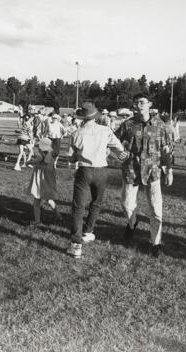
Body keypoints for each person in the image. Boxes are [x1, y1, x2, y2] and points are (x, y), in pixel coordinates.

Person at [115, 93, 174, 257]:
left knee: (156, 208)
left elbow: (167, 150)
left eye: (141, 102)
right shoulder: (128, 124)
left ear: (150, 104)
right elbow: (114, 142)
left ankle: (156, 243)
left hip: (153, 172)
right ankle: (133, 223)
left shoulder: (160, 126)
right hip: (131, 171)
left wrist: (169, 170)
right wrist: (121, 156)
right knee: (126, 204)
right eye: (136, 102)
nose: (138, 105)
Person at [66, 102, 128, 258]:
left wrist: (78, 155)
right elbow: (119, 148)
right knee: (96, 202)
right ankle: (88, 231)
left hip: (85, 170)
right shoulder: (105, 130)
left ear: (82, 117)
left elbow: (71, 157)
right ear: (95, 115)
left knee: (78, 206)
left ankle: (76, 244)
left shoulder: (76, 133)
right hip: (101, 170)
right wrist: (110, 151)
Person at [26, 137, 62, 225]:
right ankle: (58, 215)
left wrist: (29, 162)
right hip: (48, 181)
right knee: (49, 199)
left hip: (40, 181)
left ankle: (37, 221)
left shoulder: (41, 155)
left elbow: (39, 160)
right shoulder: (52, 154)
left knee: (36, 202)